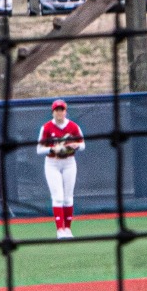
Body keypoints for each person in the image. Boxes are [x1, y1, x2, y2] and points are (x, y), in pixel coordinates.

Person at [39, 98, 84, 239]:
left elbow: (82, 145)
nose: (59, 112)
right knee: (57, 197)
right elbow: (39, 149)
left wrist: (74, 146)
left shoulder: (73, 127)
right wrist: (54, 148)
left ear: (65, 111)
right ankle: (60, 230)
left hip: (69, 162)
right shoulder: (46, 127)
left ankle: (68, 230)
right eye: (57, 110)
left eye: (62, 110)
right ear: (53, 112)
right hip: (52, 163)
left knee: (68, 197)